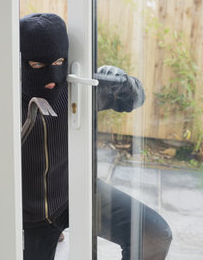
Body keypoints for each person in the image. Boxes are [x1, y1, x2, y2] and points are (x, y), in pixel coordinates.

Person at [20, 13, 172, 260]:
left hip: (77, 193)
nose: (50, 77)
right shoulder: (0, 96)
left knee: (153, 234)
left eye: (58, 61)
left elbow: (135, 100)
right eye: (37, 65)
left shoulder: (77, 87)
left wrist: (124, 82)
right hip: (29, 215)